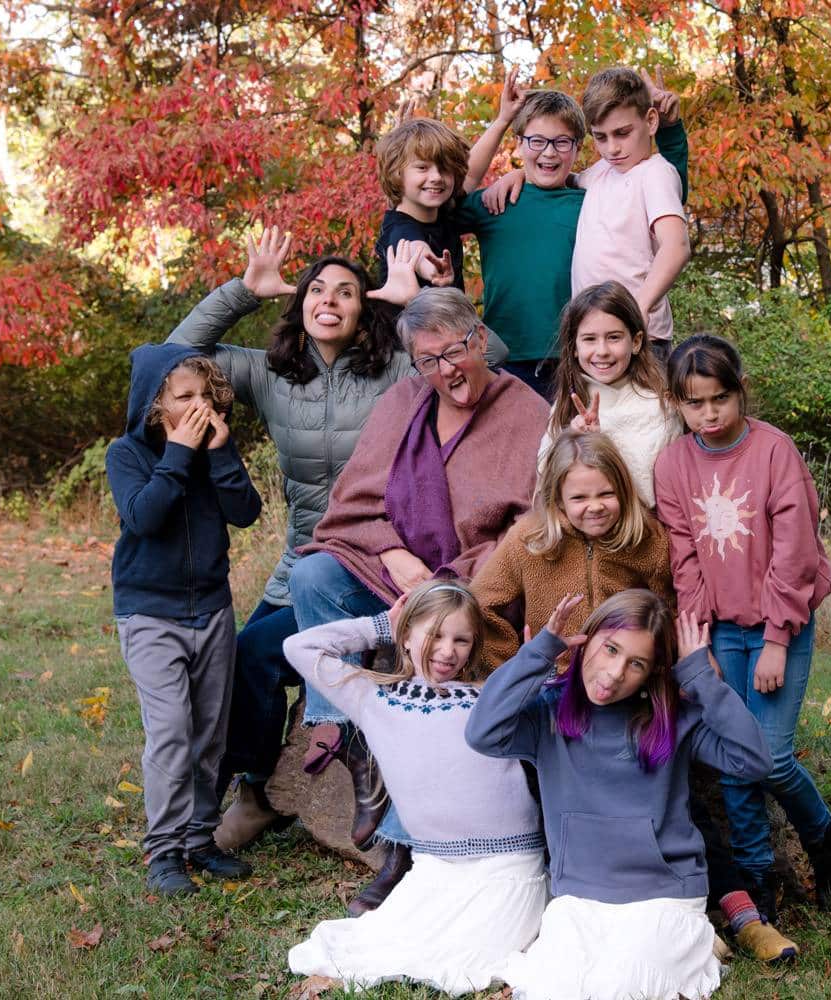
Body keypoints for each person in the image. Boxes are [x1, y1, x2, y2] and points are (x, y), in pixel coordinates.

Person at [290, 286, 549, 913]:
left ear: (480, 340)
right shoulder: (403, 402)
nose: (445, 371)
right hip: (397, 574)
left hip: (474, 581)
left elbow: (532, 528)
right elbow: (353, 503)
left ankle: (403, 847)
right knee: (314, 577)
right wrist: (391, 553)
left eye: (454, 352)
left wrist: (446, 587)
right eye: (428, 360)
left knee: (438, 671)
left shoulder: (528, 412)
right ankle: (353, 741)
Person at [164, 230, 426, 851]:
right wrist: (242, 291)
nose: (329, 300)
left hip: (381, 565)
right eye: (316, 289)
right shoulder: (272, 373)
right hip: (301, 564)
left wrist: (414, 302)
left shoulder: (398, 369)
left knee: (262, 652)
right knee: (244, 659)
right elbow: (168, 358)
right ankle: (257, 793)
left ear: (365, 307)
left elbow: (486, 354)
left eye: (346, 291)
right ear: (300, 303)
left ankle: (289, 781)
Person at [466, 590, 774, 999]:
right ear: (587, 638)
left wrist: (700, 676)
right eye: (610, 649)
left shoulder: (674, 720)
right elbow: (482, 733)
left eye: (636, 664)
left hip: (662, 894)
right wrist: (540, 652)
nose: (613, 674)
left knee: (623, 986)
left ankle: (694, 940)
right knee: (556, 986)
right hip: (580, 896)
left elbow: (754, 761)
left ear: (651, 673)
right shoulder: (548, 713)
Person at [652, 333, 831, 912]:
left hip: (779, 624)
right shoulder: (673, 464)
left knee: (768, 755)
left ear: (741, 390)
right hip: (719, 630)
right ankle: (757, 876)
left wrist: (776, 640)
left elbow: (795, 553)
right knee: (732, 760)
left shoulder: (774, 452)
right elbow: (684, 560)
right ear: (676, 403)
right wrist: (699, 644)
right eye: (694, 403)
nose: (709, 414)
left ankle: (826, 836)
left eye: (720, 398)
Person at [284, 580, 546, 993]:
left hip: (508, 869)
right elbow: (299, 647)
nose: (447, 650)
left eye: (461, 640)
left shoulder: (488, 697)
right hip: (435, 869)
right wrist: (380, 627)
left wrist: (537, 666)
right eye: (435, 635)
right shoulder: (373, 698)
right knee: (397, 945)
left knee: (479, 954)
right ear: (406, 636)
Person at [105, 344, 262, 896]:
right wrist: (177, 454)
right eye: (184, 396)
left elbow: (246, 512)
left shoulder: (214, 450)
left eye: (206, 396)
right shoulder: (127, 453)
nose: (199, 407)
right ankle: (165, 850)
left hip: (212, 608)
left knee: (208, 733)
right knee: (171, 731)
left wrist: (220, 455)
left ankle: (199, 837)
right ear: (156, 404)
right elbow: (144, 517)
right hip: (150, 612)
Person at [454, 77, 690, 397]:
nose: (549, 152)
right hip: (508, 356)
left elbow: (667, 184)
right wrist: (502, 125)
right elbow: (452, 194)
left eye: (562, 142)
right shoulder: (500, 201)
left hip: (584, 353)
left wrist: (670, 131)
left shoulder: (587, 198)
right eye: (537, 141)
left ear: (578, 147)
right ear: (520, 143)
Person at [470, 429, 672, 670]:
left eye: (607, 493)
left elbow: (671, 612)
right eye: (579, 498)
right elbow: (478, 604)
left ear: (623, 489)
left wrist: (650, 669)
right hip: (549, 678)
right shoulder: (529, 538)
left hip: (620, 677)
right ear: (558, 498)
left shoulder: (647, 539)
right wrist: (508, 668)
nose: (595, 506)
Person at [570, 67, 691, 357]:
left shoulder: (655, 173)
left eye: (622, 133)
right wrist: (519, 175)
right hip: (594, 334)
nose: (612, 149)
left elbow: (676, 246)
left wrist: (641, 305)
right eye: (600, 137)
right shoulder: (601, 171)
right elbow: (561, 180)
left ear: (650, 121)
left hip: (641, 335)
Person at [537, 281, 678, 506]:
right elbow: (544, 487)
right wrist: (571, 443)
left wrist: (600, 445)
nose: (602, 351)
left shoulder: (661, 407)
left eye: (614, 337)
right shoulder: (566, 405)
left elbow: (656, 494)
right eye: (589, 339)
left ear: (636, 342)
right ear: (574, 347)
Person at [371, 99, 511, 290]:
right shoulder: (398, 229)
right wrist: (433, 269)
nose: (436, 177)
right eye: (422, 167)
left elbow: (471, 175)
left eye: (445, 169)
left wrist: (503, 119)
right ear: (396, 172)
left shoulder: (444, 210)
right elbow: (416, 250)